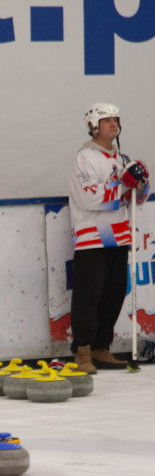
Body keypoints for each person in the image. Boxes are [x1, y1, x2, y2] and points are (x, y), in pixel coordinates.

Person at [68, 102, 150, 373]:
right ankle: (83, 351)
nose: (114, 124)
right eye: (107, 121)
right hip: (92, 237)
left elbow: (136, 199)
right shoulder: (85, 157)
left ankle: (102, 347)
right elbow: (88, 196)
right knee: (88, 296)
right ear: (93, 127)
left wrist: (140, 183)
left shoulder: (122, 158)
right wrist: (122, 185)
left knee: (114, 294)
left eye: (116, 119)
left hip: (120, 236)